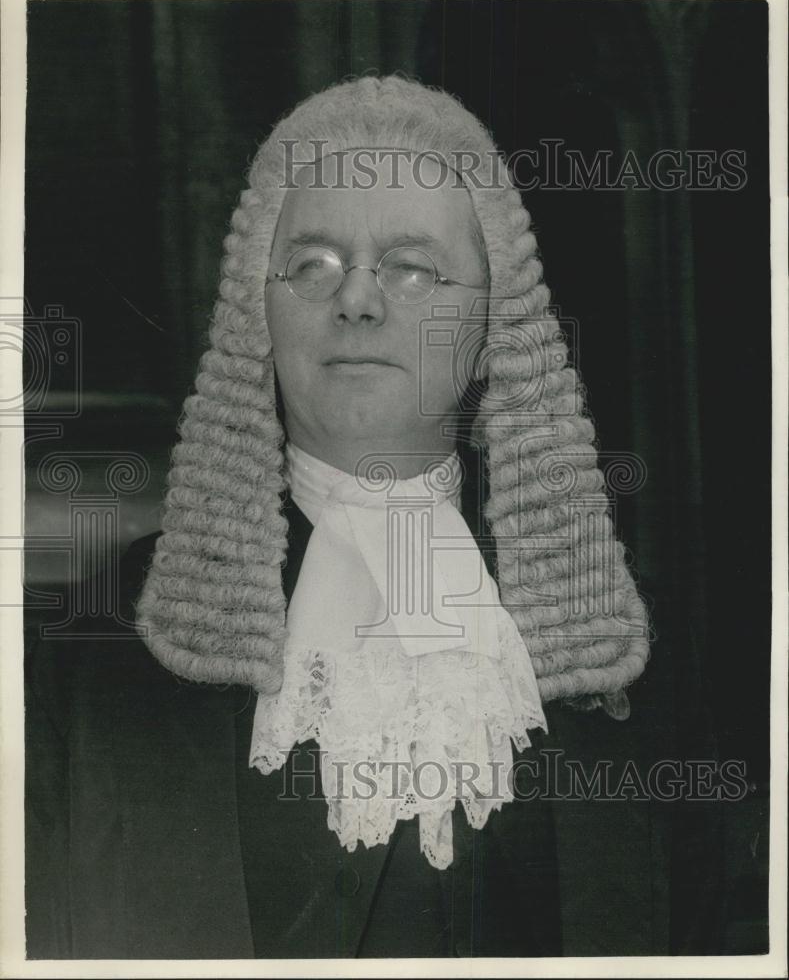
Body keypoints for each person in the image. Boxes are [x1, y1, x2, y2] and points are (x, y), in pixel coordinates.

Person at [25, 74, 661, 960]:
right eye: (312, 264)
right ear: (259, 313)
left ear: (491, 321)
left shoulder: (624, 650)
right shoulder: (86, 652)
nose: (357, 300)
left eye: (411, 267)